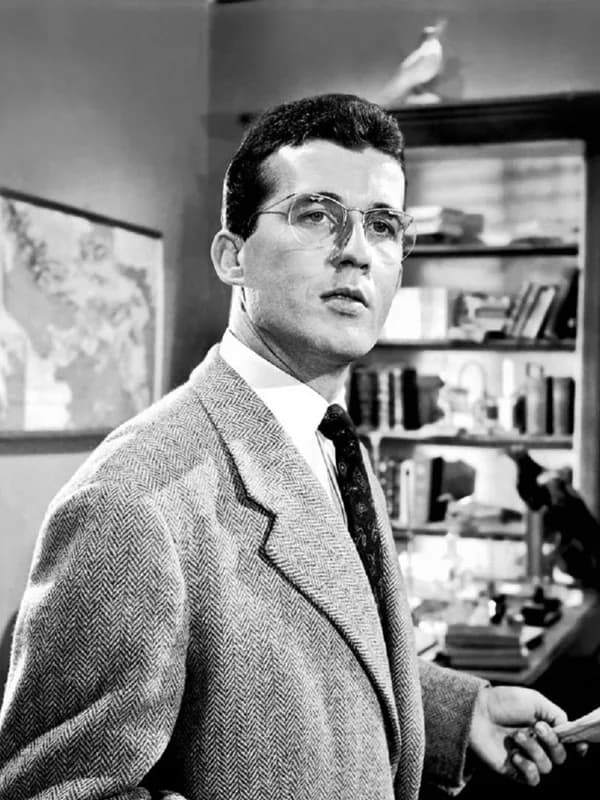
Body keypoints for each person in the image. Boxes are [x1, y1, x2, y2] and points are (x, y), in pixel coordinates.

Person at [0, 94, 583, 800]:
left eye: (383, 224)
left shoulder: (333, 440)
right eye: (315, 215)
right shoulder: (130, 503)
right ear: (232, 257)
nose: (357, 250)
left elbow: (319, 661)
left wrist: (463, 713)